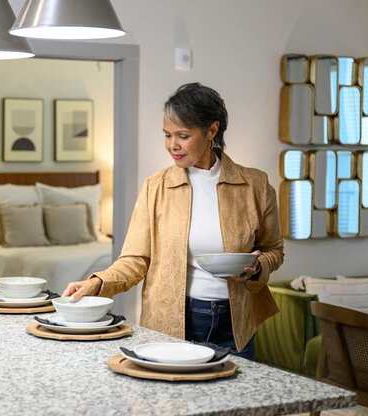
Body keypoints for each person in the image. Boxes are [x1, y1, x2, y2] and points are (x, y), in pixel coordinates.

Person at [62, 82, 284, 359]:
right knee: (174, 400)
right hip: (173, 321)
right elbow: (135, 260)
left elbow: (273, 249)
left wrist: (256, 267)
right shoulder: (156, 187)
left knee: (234, 397)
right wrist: (97, 283)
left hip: (236, 321)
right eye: (167, 135)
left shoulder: (255, 185)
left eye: (182, 135)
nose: (172, 146)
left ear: (212, 130)